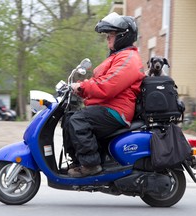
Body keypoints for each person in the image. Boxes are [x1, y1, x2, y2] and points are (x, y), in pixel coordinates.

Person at [66, 12, 145, 177]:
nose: (108, 38)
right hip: (108, 106)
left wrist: (81, 87)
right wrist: (82, 89)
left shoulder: (128, 58)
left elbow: (107, 86)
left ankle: (91, 165)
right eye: (107, 35)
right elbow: (102, 81)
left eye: (111, 35)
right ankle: (79, 161)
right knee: (69, 118)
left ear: (124, 36)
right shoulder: (119, 56)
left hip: (116, 110)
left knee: (78, 120)